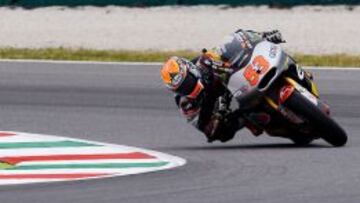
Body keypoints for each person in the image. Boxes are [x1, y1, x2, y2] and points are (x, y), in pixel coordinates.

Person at [160, 29, 286, 143]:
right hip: (213, 110)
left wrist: (262, 37)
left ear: (192, 71)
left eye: (187, 83)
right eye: (182, 89)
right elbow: (203, 124)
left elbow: (231, 45)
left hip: (225, 84)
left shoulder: (202, 61)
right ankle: (249, 120)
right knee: (219, 132)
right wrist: (218, 108)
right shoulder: (185, 104)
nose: (187, 89)